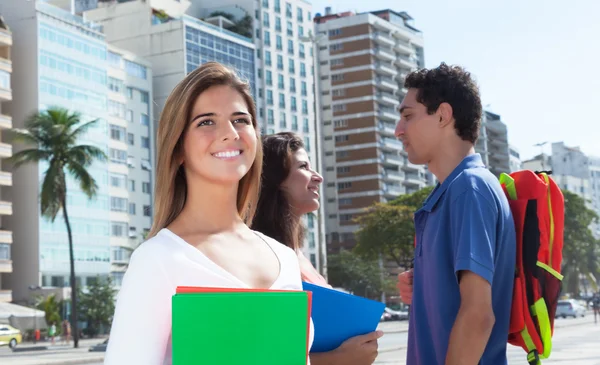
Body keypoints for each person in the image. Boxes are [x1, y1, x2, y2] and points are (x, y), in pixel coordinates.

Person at [104, 63, 312, 364]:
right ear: (178, 149)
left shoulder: (284, 257)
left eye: (240, 120)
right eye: (206, 122)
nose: (230, 133)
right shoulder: (158, 259)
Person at [395, 63, 516, 365]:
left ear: (443, 115)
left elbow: (478, 315)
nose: (399, 131)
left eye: (408, 116)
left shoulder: (469, 188)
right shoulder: (446, 195)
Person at [251, 132, 383, 365]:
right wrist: (340, 358)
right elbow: (262, 354)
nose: (318, 177)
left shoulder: (298, 255)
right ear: (274, 179)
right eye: (304, 167)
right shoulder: (259, 258)